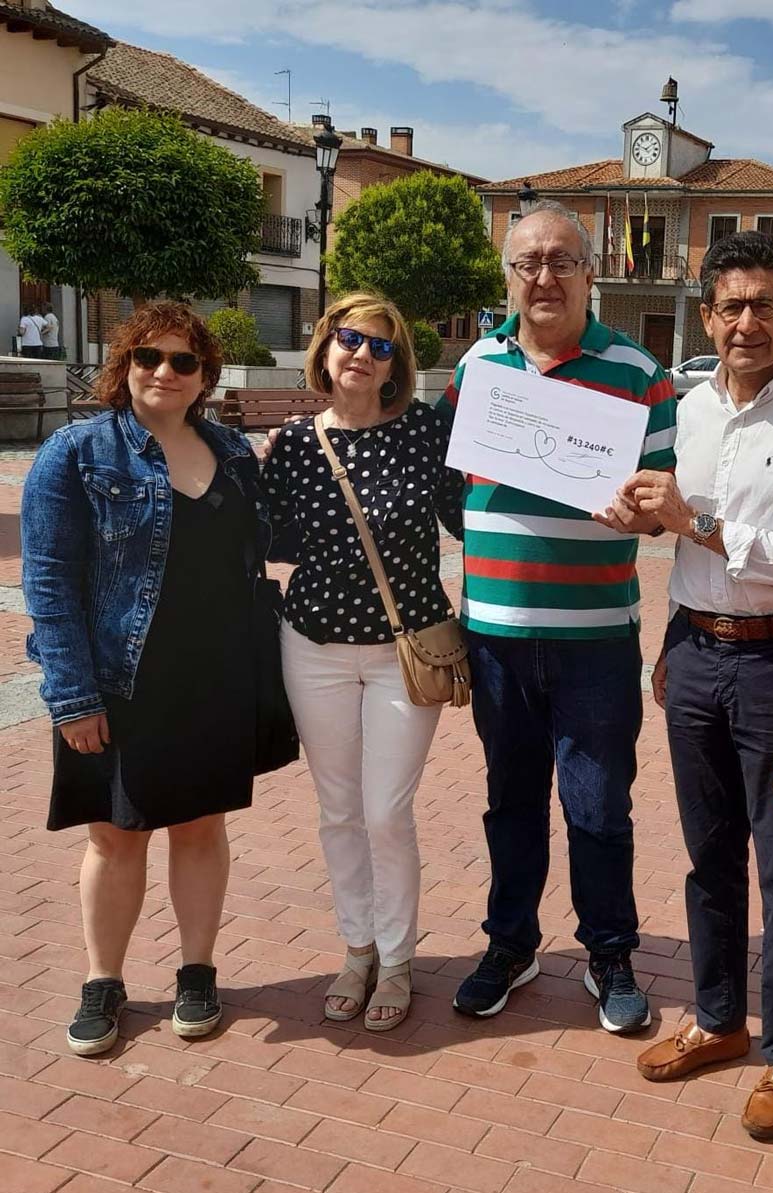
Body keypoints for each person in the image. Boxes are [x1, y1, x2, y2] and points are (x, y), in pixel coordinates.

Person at [603, 230, 773, 1134]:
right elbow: (668, 523)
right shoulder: (687, 409)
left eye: (763, 305)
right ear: (706, 317)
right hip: (693, 651)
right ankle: (717, 1020)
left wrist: (693, 521)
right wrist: (637, 514)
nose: (745, 323)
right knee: (708, 856)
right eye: (729, 307)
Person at [439, 200, 676, 1034]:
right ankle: (511, 945)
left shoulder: (639, 373)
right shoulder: (477, 366)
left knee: (598, 807)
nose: (544, 277)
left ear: (588, 272)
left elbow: (662, 505)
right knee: (509, 802)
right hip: (495, 635)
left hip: (594, 641)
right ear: (509, 274)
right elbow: (452, 485)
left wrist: (642, 513)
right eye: (528, 262)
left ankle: (609, 952)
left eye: (561, 261)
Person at [20, 302, 269, 1056]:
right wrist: (71, 697)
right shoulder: (77, 452)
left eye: (183, 361)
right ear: (124, 365)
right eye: (148, 357)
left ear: (204, 375)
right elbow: (49, 582)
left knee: (201, 827)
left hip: (214, 676)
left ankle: (197, 971)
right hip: (118, 682)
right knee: (114, 836)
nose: (164, 372)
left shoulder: (231, 451)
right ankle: (104, 979)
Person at [261, 292, 464, 1032]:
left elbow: (467, 517)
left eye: (381, 347)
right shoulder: (293, 443)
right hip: (313, 647)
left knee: (385, 811)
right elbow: (268, 540)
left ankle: (397, 958)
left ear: (395, 365)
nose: (363, 355)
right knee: (339, 810)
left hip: (402, 652)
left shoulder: (423, 432)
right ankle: (357, 950)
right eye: (351, 339)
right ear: (326, 346)